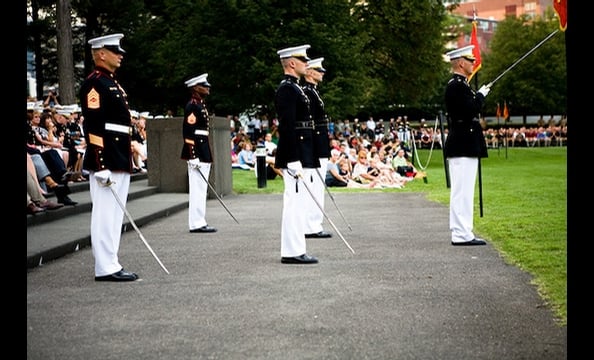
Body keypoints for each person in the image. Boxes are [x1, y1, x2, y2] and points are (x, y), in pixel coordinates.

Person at [80, 33, 139, 281]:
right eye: (116, 51)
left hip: (119, 154)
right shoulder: (95, 83)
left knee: (115, 213)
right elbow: (93, 126)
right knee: (105, 213)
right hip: (107, 157)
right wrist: (100, 163)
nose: (121, 55)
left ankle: (111, 261)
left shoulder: (111, 82)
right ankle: (105, 267)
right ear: (101, 53)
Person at [274, 44, 319, 264]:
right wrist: (292, 158)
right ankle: (292, 251)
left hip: (303, 150)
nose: (306, 63)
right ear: (292, 63)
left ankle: (297, 248)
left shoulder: (296, 88)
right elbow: (287, 126)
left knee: (299, 202)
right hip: (295, 153)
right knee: (294, 202)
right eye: (302, 60)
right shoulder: (287, 89)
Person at [444, 45, 490, 246]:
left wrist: (477, 95)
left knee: (462, 190)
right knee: (462, 191)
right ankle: (462, 234)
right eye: (470, 61)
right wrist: (480, 96)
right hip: (463, 142)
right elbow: (468, 111)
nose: (473, 64)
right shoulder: (456, 86)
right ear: (461, 63)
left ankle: (460, 231)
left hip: (463, 142)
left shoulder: (461, 85)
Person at [180, 73, 217, 233]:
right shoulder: (192, 106)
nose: (207, 87)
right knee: (197, 189)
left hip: (203, 149)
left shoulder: (200, 105)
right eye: (204, 85)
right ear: (195, 88)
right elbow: (188, 132)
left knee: (201, 189)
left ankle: (200, 220)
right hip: (197, 152)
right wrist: (193, 155)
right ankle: (196, 222)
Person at [302, 57, 332, 239]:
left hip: (320, 144)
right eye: (318, 71)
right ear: (310, 73)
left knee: (317, 186)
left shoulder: (314, 93)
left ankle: (314, 223)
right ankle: (311, 225)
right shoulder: (308, 93)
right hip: (315, 145)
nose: (322, 74)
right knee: (313, 186)